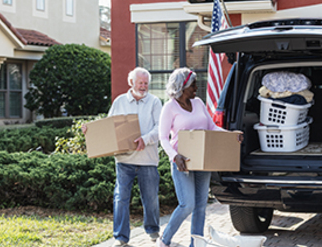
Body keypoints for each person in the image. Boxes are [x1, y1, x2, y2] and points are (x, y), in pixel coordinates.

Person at [157, 68, 242, 247]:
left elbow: (211, 127)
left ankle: (196, 244)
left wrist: (230, 135)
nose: (196, 88)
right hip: (183, 162)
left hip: (203, 160)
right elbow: (163, 138)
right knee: (187, 204)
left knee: (201, 205)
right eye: (193, 84)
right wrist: (174, 157)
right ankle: (164, 240)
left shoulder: (198, 103)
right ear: (182, 86)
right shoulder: (169, 107)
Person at [82, 67, 162, 247]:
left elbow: (160, 128)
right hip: (124, 160)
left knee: (150, 198)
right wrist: (90, 131)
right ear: (131, 83)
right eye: (140, 83)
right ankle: (120, 237)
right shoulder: (120, 102)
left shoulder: (155, 102)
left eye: (146, 83)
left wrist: (145, 139)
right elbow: (109, 127)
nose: (143, 86)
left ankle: (152, 230)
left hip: (147, 159)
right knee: (121, 197)